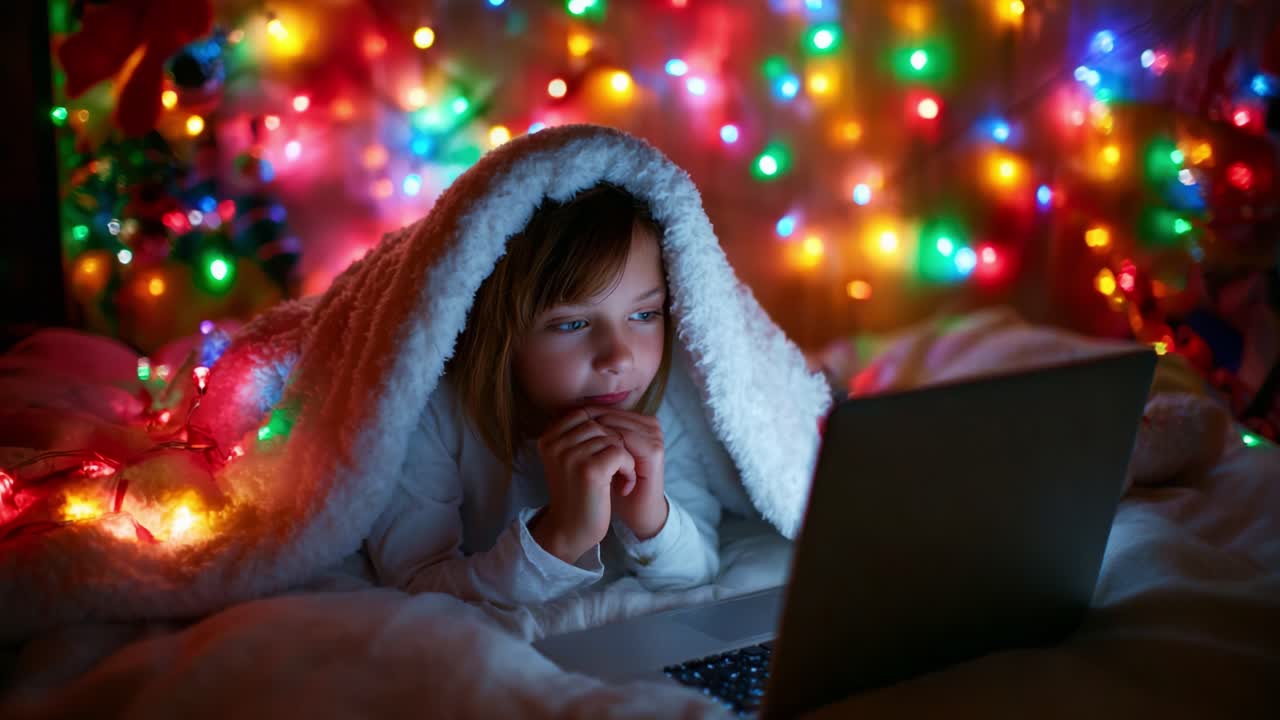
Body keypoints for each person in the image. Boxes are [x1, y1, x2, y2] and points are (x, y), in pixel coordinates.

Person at [364, 183, 723, 605]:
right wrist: (563, 535)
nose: (619, 358)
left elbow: (697, 572)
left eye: (644, 315)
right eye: (573, 324)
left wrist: (649, 516)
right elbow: (415, 585)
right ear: (500, 335)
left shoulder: (655, 406)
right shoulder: (433, 412)